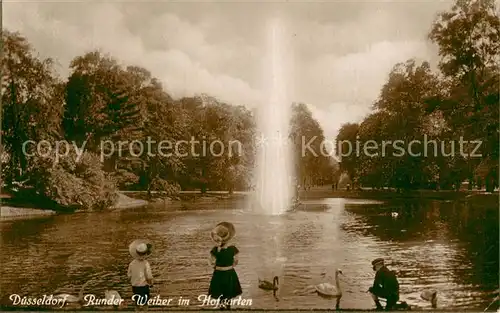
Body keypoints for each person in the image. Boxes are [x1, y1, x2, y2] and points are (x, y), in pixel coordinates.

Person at [208, 222, 242, 310]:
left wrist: (218, 267)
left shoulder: (214, 250)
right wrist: (229, 266)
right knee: (228, 292)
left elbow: (211, 263)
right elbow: (236, 262)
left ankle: (222, 308)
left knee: (220, 292)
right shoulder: (233, 249)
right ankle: (228, 307)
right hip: (229, 273)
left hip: (218, 273)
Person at [128, 239, 154, 309]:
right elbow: (149, 277)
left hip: (135, 287)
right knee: (145, 303)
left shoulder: (131, 264)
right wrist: (151, 284)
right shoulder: (146, 263)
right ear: (145, 253)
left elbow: (129, 276)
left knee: (137, 302)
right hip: (143, 287)